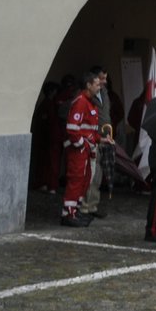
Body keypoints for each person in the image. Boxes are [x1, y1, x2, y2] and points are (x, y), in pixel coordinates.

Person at [60, 71, 102, 226]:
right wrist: (81, 145)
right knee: (76, 180)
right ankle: (68, 214)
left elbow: (89, 129)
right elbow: (72, 128)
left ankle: (75, 211)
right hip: (79, 151)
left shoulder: (90, 102)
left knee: (84, 181)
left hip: (86, 150)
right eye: (97, 84)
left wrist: (100, 139)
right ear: (88, 85)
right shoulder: (81, 102)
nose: (100, 87)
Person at [79, 67, 112, 220]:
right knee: (89, 174)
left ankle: (92, 205)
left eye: (105, 79)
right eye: (101, 79)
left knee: (98, 175)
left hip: (104, 138)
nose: (104, 82)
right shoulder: (84, 98)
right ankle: (84, 206)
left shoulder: (104, 94)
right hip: (92, 139)